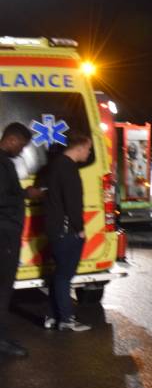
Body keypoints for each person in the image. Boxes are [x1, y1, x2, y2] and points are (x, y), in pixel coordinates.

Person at [44, 133, 93, 332]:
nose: (89, 153)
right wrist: (80, 229)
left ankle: (52, 316)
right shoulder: (69, 169)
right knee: (65, 275)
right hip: (67, 231)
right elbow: (72, 203)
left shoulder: (55, 166)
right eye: (88, 149)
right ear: (79, 147)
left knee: (59, 275)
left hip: (55, 229)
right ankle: (66, 319)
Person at [0, 123, 37, 356]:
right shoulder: (1, 163)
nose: (22, 151)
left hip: (5, 232)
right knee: (3, 289)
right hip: (3, 234)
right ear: (12, 140)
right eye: (21, 146)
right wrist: (26, 194)